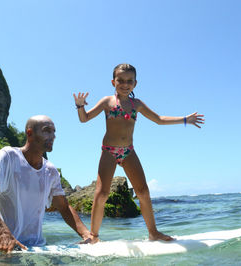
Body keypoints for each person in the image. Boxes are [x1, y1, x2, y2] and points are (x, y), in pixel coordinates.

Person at [73, 63, 205, 244]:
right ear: (113, 82)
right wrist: (79, 106)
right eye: (121, 80)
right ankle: (93, 236)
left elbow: (159, 120)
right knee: (101, 194)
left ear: (135, 83)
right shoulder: (107, 102)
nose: (125, 84)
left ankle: (153, 233)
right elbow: (84, 119)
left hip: (128, 152)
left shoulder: (137, 104)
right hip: (109, 151)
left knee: (143, 191)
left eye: (129, 81)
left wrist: (184, 120)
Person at [0, 115, 91, 253]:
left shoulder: (51, 171)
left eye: (54, 132)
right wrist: (3, 233)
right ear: (30, 133)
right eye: (47, 130)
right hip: (6, 247)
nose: (53, 136)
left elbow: (64, 207)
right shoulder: (9, 157)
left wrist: (87, 235)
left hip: (38, 248)